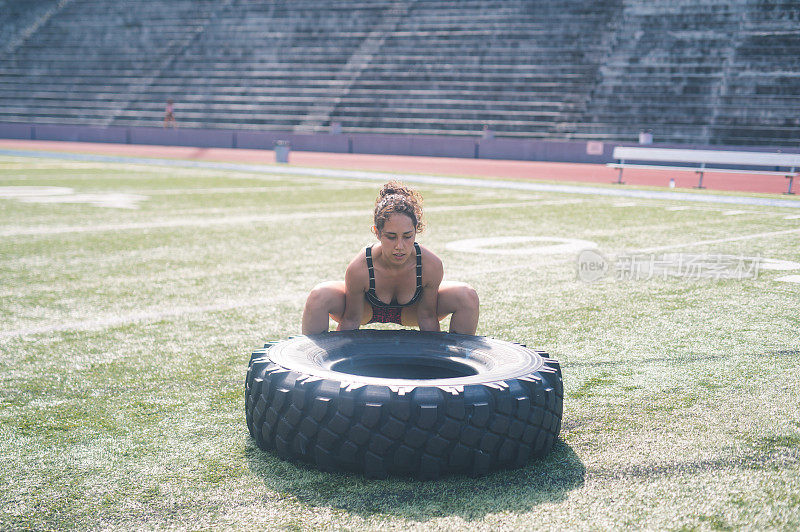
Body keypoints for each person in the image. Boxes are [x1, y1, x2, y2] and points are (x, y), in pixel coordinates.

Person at [302, 181, 479, 335]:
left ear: (416, 230)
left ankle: (462, 357)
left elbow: (427, 317)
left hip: (413, 311)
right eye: (391, 236)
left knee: (466, 296)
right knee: (319, 296)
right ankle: (307, 365)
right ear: (377, 233)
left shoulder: (430, 265)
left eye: (408, 236)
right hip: (366, 311)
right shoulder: (361, 267)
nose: (400, 246)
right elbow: (351, 320)